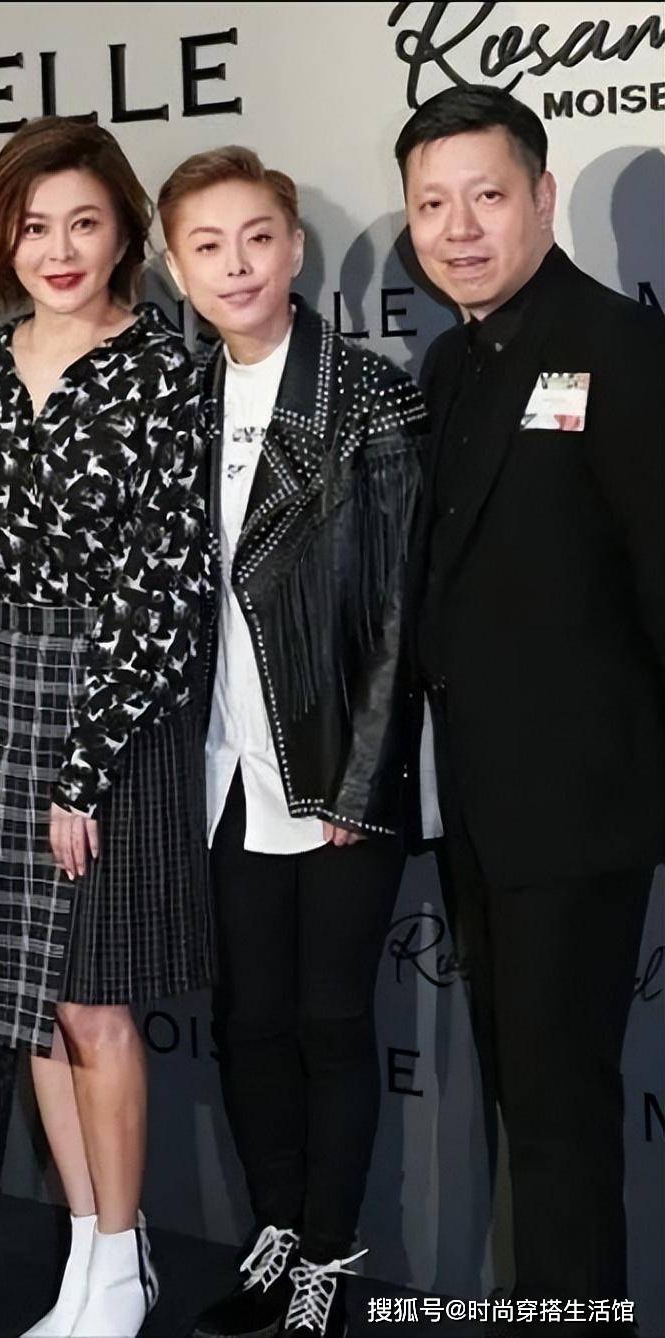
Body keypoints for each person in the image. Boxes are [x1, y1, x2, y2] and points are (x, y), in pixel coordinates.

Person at [396, 86, 664, 1318]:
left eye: (485, 197)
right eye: (431, 205)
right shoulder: (450, 361)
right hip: (478, 813)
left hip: (578, 813)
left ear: (541, 199)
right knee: (523, 1101)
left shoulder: (622, 348)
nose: (457, 230)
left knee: (558, 1119)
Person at [0, 116, 212, 1338]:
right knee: (33, 1009)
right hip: (0, 692)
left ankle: (119, 1260)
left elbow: (164, 583)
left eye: (84, 224)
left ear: (124, 236)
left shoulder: (164, 370)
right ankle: (93, 1250)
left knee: (95, 1004)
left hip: (112, 702)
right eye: (33, 226)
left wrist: (84, 767)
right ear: (4, 238)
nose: (57, 250)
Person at [158, 147, 428, 1338]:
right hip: (219, 772)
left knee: (328, 1022)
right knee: (248, 1022)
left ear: (293, 249)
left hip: (331, 774)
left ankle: (327, 1257)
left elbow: (398, 616)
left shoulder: (368, 398)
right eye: (207, 246)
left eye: (255, 238)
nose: (235, 266)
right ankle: (273, 1233)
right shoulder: (178, 403)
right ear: (175, 267)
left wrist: (357, 784)